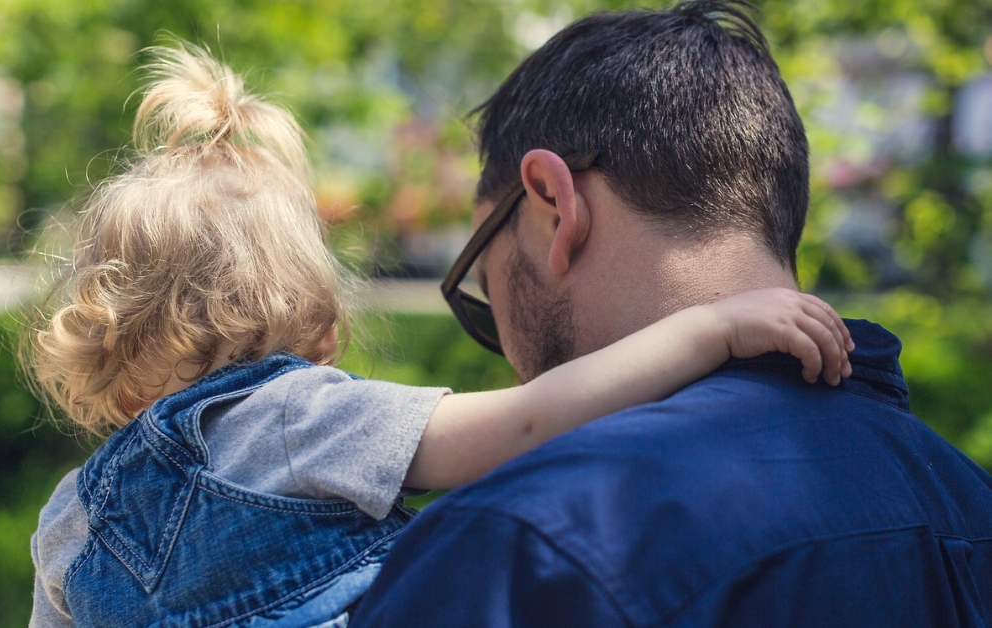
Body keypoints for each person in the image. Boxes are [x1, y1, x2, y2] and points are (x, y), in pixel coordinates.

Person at [24, 43, 853, 628]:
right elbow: (531, 419)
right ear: (314, 318)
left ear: (103, 350)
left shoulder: (70, 518)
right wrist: (706, 331)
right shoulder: (302, 418)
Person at [349, 2, 992, 627]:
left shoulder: (526, 544)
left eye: (483, 289)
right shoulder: (967, 500)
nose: (509, 357)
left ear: (553, 206)